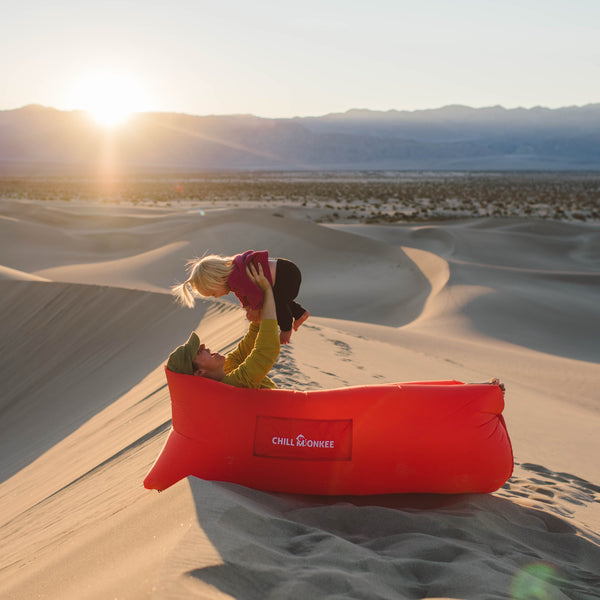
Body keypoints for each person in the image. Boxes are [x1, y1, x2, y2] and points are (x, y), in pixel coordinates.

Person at [167, 262, 280, 389]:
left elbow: (248, 347)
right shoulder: (234, 385)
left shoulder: (228, 367)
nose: (204, 346)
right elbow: (266, 351)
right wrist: (267, 291)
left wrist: (256, 315)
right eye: (199, 352)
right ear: (199, 372)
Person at [172, 250, 309, 345]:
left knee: (276, 303)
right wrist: (248, 306)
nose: (216, 297)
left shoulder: (235, 279)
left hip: (286, 277)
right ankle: (300, 313)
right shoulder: (234, 274)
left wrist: (255, 309)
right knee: (278, 298)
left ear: (217, 280)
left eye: (213, 293)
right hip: (285, 270)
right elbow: (243, 294)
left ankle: (286, 329)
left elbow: (254, 294)